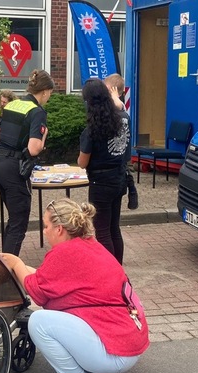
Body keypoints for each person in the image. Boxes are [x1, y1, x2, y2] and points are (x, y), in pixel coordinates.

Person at [1, 198, 149, 373]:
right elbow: (45, 280)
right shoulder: (90, 246)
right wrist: (22, 269)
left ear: (59, 229)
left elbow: (37, 292)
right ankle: (106, 368)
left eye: (46, 226)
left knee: (38, 322)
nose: (44, 231)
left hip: (115, 353)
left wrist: (16, 262)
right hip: (130, 345)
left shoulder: (64, 253)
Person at [0, 69, 54, 255]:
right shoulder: (37, 112)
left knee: (13, 220)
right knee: (19, 223)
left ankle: (4, 262)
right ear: (44, 91)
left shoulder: (13, 105)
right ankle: (8, 274)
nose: (49, 97)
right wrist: (44, 137)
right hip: (14, 169)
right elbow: (34, 148)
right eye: (50, 93)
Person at [77, 78, 128, 264]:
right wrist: (117, 99)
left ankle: (109, 271)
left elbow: (82, 163)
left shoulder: (91, 130)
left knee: (102, 231)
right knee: (114, 228)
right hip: (119, 178)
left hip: (100, 183)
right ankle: (118, 268)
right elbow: (122, 109)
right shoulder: (123, 119)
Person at [104, 73, 138, 211]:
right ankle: (130, 185)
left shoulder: (119, 105)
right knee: (124, 169)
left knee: (124, 169)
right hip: (121, 151)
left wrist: (113, 96)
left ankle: (131, 186)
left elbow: (118, 106)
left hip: (121, 150)